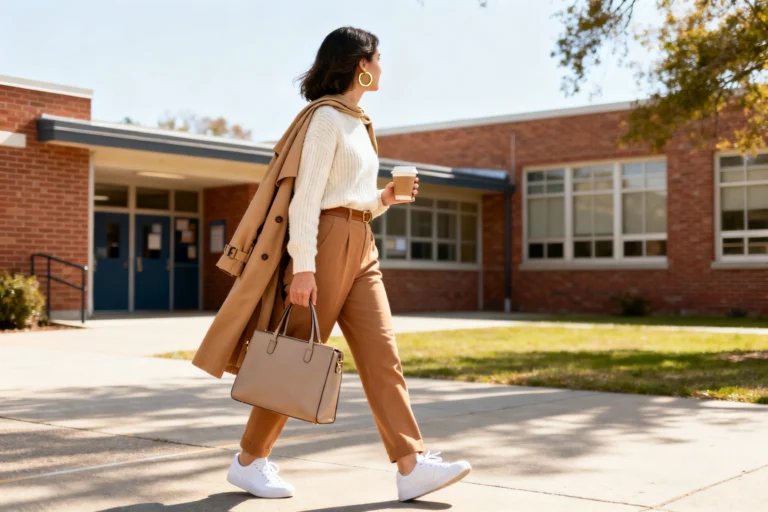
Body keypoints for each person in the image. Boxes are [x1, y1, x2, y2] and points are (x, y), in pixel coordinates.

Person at [225, 26, 471, 502]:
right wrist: (303, 266)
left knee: (383, 354)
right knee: (301, 351)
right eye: (378, 59)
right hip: (325, 240)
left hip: (363, 241)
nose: (382, 68)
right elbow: (305, 199)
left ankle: (410, 465)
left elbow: (353, 199)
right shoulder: (325, 120)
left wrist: (383, 199)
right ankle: (250, 461)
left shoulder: (359, 122)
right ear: (361, 65)